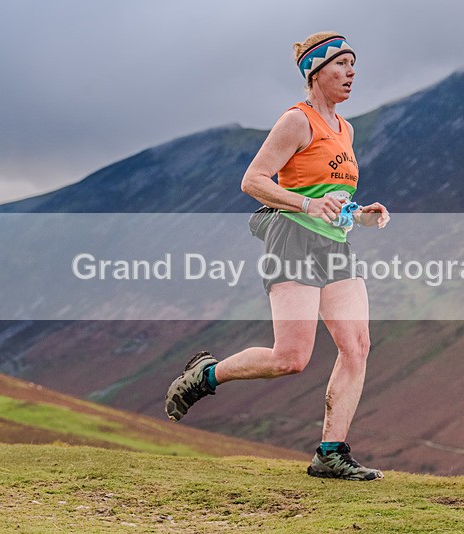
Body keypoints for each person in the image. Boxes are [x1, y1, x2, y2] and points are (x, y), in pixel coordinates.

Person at [165, 31, 390, 481]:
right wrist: (306, 205)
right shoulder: (297, 120)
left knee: (357, 346)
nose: (351, 73)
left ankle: (331, 453)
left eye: (353, 65)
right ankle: (206, 376)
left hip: (334, 244)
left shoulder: (346, 128)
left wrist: (360, 215)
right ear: (315, 73)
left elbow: (329, 196)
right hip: (292, 238)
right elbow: (253, 181)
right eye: (341, 66)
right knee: (291, 358)